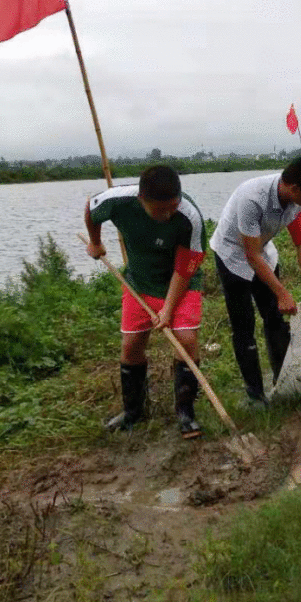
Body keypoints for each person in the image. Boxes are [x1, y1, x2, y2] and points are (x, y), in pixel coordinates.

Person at [84, 165, 207, 436]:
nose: (168, 214)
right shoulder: (117, 201)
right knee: (131, 346)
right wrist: (95, 242)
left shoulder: (190, 217)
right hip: (139, 284)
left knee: (186, 340)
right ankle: (133, 412)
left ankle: (186, 413)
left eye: (172, 207)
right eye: (160, 209)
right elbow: (92, 209)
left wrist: (168, 309)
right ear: (142, 200)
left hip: (180, 284)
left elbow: (185, 268)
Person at [210, 152, 301, 406]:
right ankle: (255, 394)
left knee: (275, 318)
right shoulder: (251, 199)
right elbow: (251, 256)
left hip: (262, 249)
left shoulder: (298, 202)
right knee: (243, 325)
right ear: (295, 187)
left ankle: (285, 382)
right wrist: (282, 292)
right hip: (232, 254)